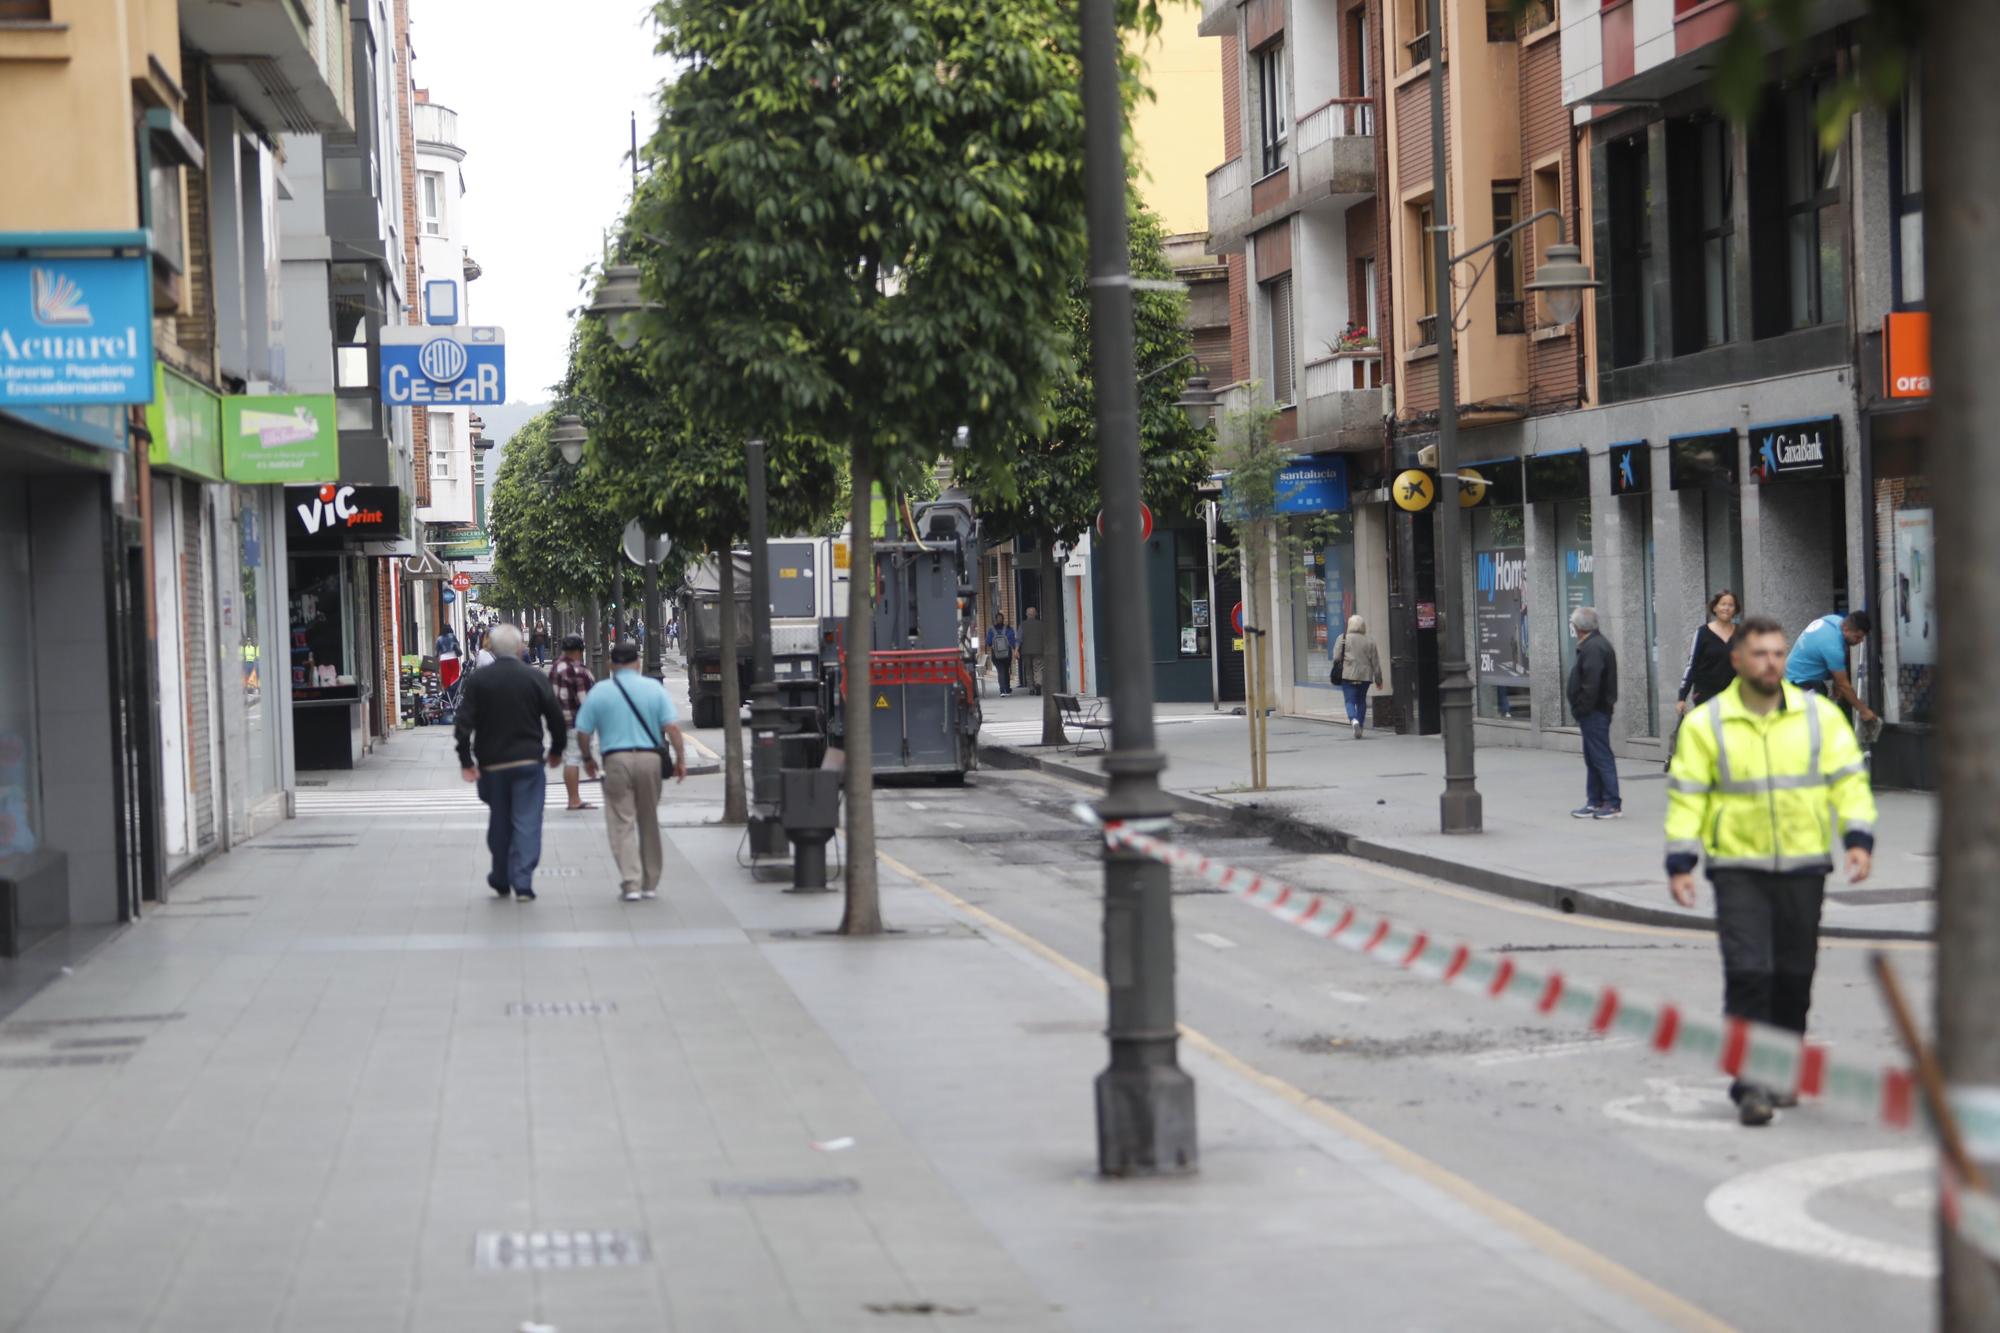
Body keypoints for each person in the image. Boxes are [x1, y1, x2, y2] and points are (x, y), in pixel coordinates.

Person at [1665, 614, 1876, 1127]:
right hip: (1737, 867)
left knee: (1793, 977)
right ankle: (1750, 1083)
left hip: (1805, 865)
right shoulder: (1706, 723)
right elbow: (1688, 795)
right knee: (1749, 972)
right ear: (1737, 660)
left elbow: (1848, 779)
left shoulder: (1818, 716)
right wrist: (1680, 860)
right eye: (1759, 654)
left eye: (1778, 653)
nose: (1771, 662)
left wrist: (1858, 838)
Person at [453, 624, 567, 902]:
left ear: (491, 647)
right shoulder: (534, 678)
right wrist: (556, 750)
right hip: (528, 761)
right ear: (519, 648)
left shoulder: (479, 681)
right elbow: (555, 717)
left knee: (500, 820)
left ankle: (501, 876)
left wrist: (466, 760)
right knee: (527, 821)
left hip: (492, 764)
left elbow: (463, 723)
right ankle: (523, 880)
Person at [575, 640, 688, 902]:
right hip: (650, 759)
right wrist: (680, 759)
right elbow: (672, 728)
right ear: (637, 663)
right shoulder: (653, 688)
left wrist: (587, 759)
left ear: (613, 665)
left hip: (616, 760)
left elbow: (583, 731)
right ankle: (650, 882)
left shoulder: (601, 691)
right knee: (648, 819)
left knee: (621, 822)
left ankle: (631, 881)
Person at [1668, 590, 1740, 770]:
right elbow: (1691, 665)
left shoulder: (1741, 633)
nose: (1726, 608)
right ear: (1714, 607)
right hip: (1706, 693)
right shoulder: (1702, 633)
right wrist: (1682, 697)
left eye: (1730, 605)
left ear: (1735, 609)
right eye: (1723, 604)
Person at [1566, 606, 1622, 820]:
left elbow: (1592, 683)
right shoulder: (1592, 645)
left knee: (1600, 756)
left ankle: (1611, 802)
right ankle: (1595, 800)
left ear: (1578, 627)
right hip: (1593, 711)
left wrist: (1581, 708)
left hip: (1595, 711)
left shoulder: (1594, 648)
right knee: (1593, 757)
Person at [1784, 610, 1877, 726]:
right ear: (1847, 630)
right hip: (1799, 683)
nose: (1860, 641)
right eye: (1857, 637)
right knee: (1814, 727)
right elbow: (1844, 685)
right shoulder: (1833, 647)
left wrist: (1836, 682)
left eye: (1862, 638)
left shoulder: (1832, 620)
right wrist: (1864, 710)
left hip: (1792, 674)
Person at [549, 634, 597, 811]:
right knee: (574, 759)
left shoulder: (555, 667)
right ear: (579, 651)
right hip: (576, 721)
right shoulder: (579, 671)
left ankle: (573, 798)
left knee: (570, 758)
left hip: (560, 720)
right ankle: (574, 799)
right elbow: (586, 701)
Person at [1329, 614, 1384, 740]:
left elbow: (1336, 657)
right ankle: (1360, 723)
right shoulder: (1370, 640)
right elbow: (1375, 662)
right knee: (1361, 701)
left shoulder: (1342, 638)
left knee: (1350, 701)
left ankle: (1353, 720)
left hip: (1347, 675)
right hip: (1365, 676)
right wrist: (1379, 679)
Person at [985, 614, 1018, 697]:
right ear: (1003, 619)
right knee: (1006, 671)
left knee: (1000, 671)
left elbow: (988, 642)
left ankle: (1002, 690)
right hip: (1007, 654)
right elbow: (1012, 640)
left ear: (995, 620)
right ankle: (1007, 689)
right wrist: (1015, 649)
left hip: (996, 655)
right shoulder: (1008, 629)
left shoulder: (991, 630)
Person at [1018, 605, 1044, 695]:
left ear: (1026, 614)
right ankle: (1038, 683)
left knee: (1028, 669)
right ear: (1035, 614)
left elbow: (1019, 639)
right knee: (1038, 668)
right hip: (1038, 650)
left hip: (1026, 651)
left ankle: (1031, 688)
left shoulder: (1022, 625)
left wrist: (1016, 650)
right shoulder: (1041, 624)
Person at [435, 626, 463, 692]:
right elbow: (457, 646)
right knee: (455, 675)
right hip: (453, 658)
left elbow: (436, 652)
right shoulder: (452, 636)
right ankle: (454, 691)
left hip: (443, 659)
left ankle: (447, 694)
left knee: (445, 678)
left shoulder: (439, 639)